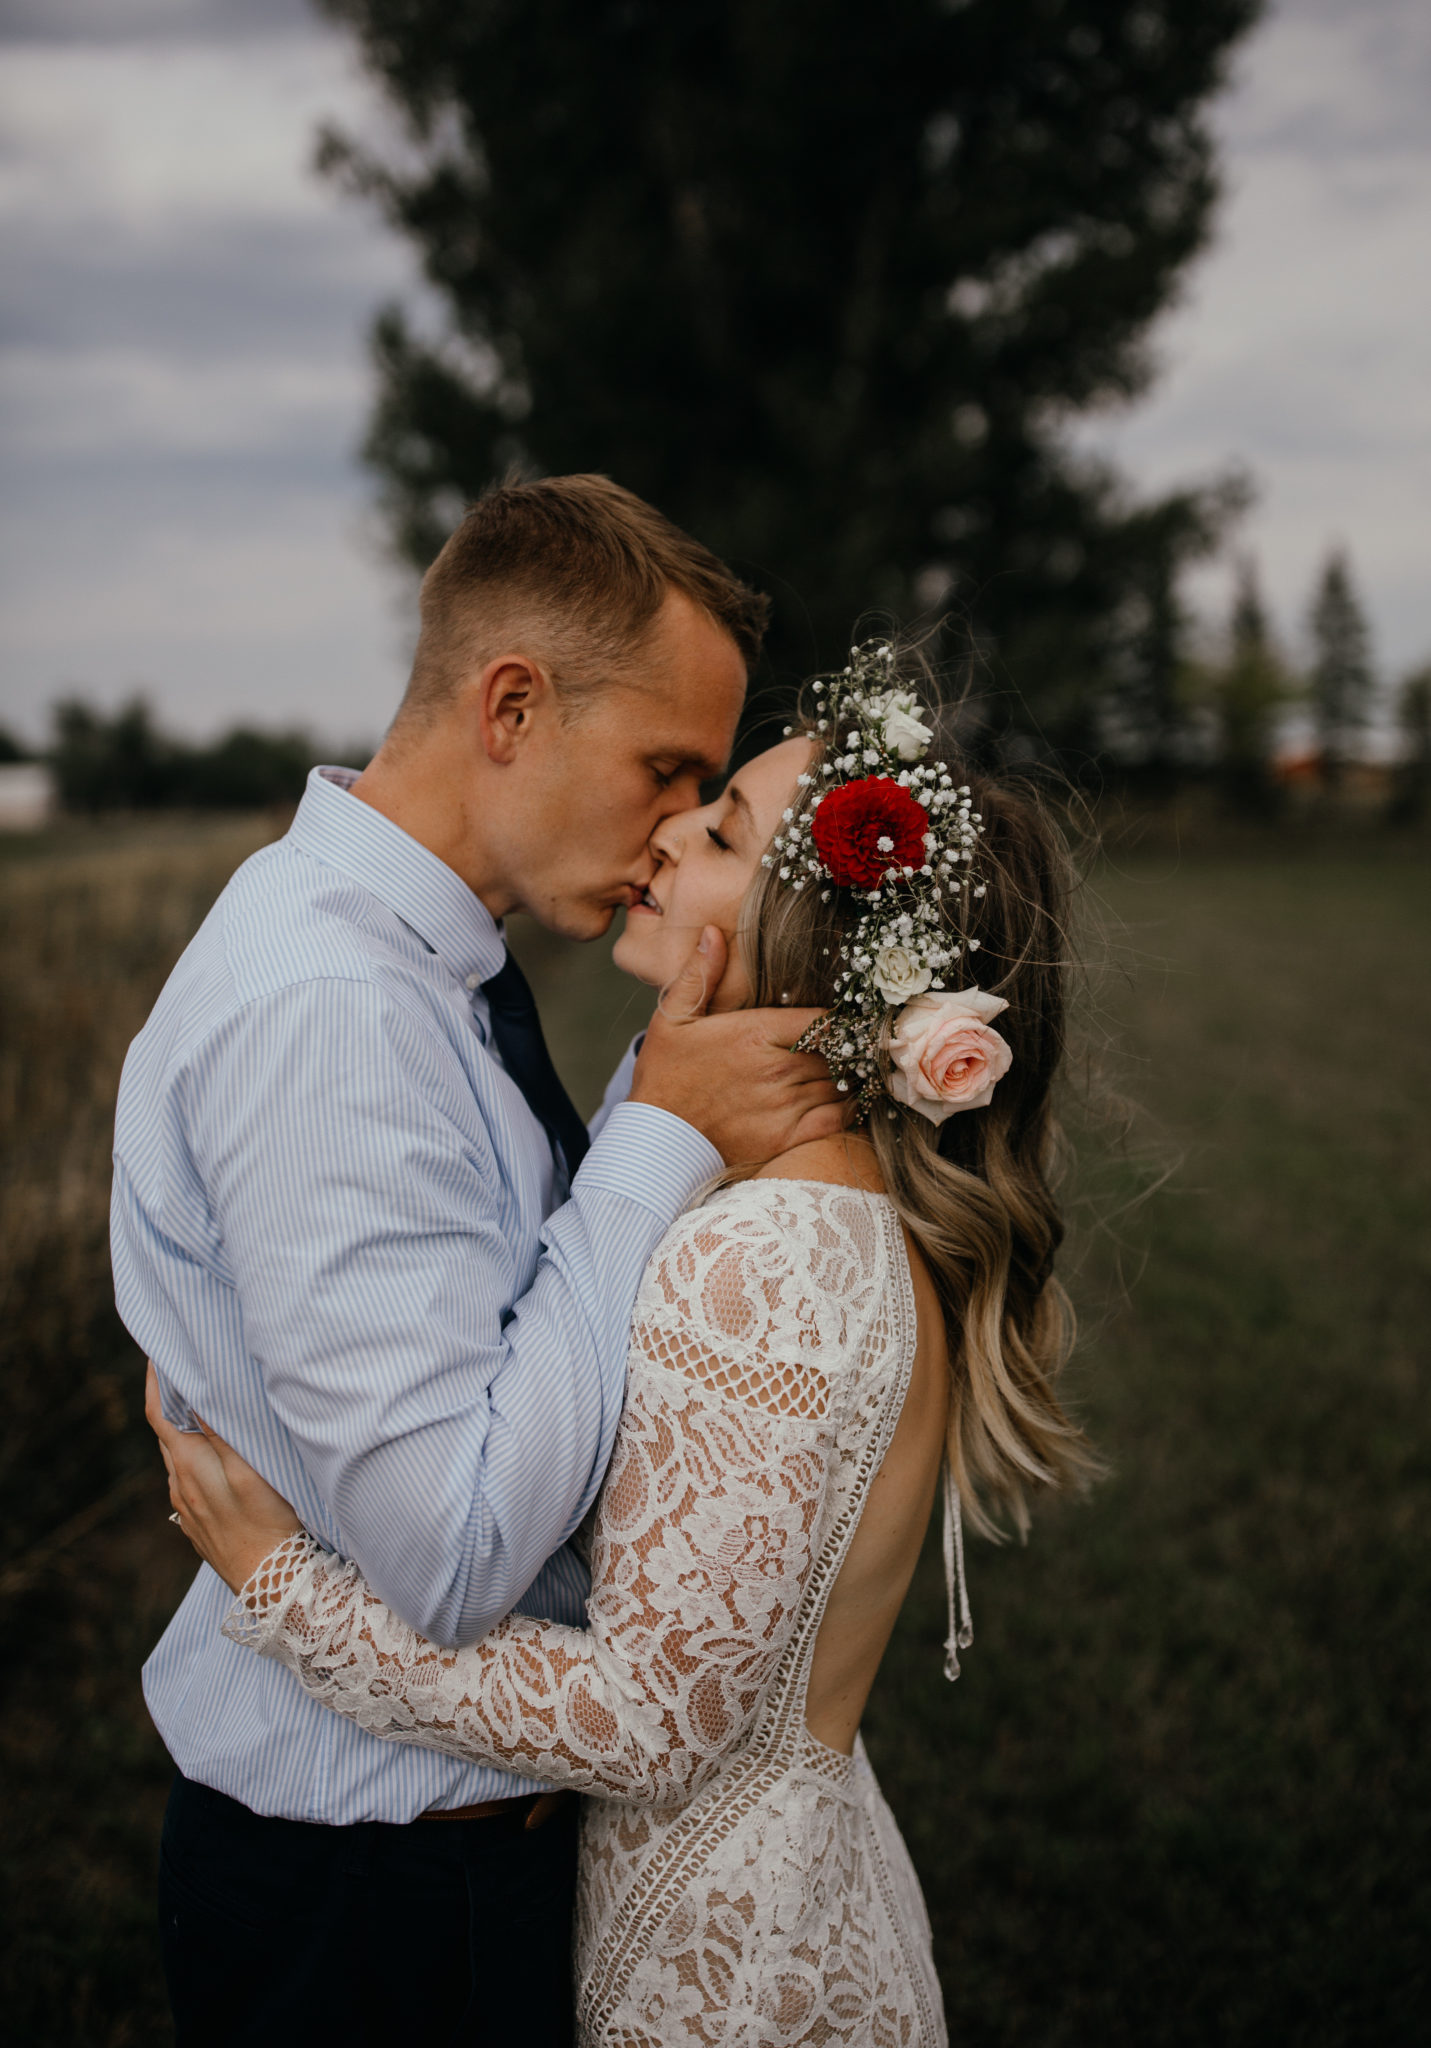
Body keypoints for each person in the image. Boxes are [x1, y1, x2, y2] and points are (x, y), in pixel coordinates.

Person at [153, 640, 1099, 2048]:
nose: (667, 831)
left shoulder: (765, 1255)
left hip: (705, 1954)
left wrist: (286, 1590)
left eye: (720, 830)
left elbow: (647, 1720)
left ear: (825, 939)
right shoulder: (808, 1204)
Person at [113, 476, 848, 2048]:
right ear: (513, 705)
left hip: (427, 1864)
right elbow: (447, 1552)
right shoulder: (334, 1013)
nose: (674, 833)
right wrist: (654, 1132)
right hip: (373, 1901)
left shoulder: (413, 971)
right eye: (669, 770)